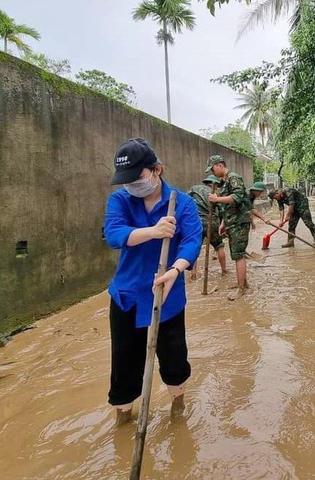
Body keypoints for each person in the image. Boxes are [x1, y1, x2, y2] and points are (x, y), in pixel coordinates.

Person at [103, 138, 202, 425]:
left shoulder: (181, 203)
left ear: (157, 170)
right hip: (127, 296)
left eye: (138, 177)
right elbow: (115, 235)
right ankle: (123, 419)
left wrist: (176, 269)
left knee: (173, 359)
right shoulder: (120, 200)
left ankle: (177, 407)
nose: (132, 184)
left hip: (166, 292)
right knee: (124, 363)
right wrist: (153, 231)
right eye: (127, 180)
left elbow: (192, 240)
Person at [206, 154, 252, 301]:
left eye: (212, 169)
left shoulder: (233, 177)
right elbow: (228, 206)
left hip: (239, 223)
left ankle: (241, 290)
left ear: (220, 165)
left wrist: (216, 198)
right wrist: (223, 223)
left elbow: (238, 197)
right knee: (237, 254)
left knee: (238, 256)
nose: (212, 173)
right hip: (232, 223)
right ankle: (243, 283)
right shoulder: (224, 181)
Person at [189, 175, 227, 276]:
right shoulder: (215, 195)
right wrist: (223, 224)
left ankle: (193, 274)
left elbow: (187, 201)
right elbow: (222, 211)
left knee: (195, 247)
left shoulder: (194, 189)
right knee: (219, 246)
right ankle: (224, 270)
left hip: (196, 222)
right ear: (214, 184)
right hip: (211, 221)